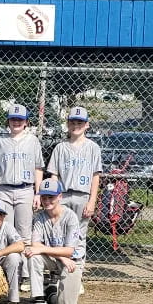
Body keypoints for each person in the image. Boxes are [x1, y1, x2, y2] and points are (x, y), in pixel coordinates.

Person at [0, 104, 44, 290]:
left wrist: (38, 193)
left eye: (20, 119)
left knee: (25, 233)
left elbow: (38, 168)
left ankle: (26, 274)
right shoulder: (0, 141)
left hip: (25, 190)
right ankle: (10, 271)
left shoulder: (32, 141)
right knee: (6, 232)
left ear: (26, 122)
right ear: (8, 122)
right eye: (13, 119)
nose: (16, 122)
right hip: (3, 189)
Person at [47, 106, 102, 263]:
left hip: (82, 196)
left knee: (78, 234)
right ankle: (59, 272)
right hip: (62, 196)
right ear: (67, 124)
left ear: (87, 125)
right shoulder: (60, 148)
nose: (76, 125)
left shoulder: (93, 148)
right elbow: (54, 175)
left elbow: (95, 176)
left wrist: (92, 201)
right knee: (59, 232)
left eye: (80, 122)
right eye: (73, 122)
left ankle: (77, 272)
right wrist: (53, 198)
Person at [25, 178, 83, 304]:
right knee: (33, 256)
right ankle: (39, 301)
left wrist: (57, 254)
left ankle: (51, 295)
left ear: (60, 196)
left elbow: (69, 251)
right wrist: (60, 257)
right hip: (56, 258)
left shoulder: (70, 217)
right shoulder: (39, 217)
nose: (46, 201)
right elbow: (35, 245)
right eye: (44, 197)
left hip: (72, 262)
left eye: (51, 197)